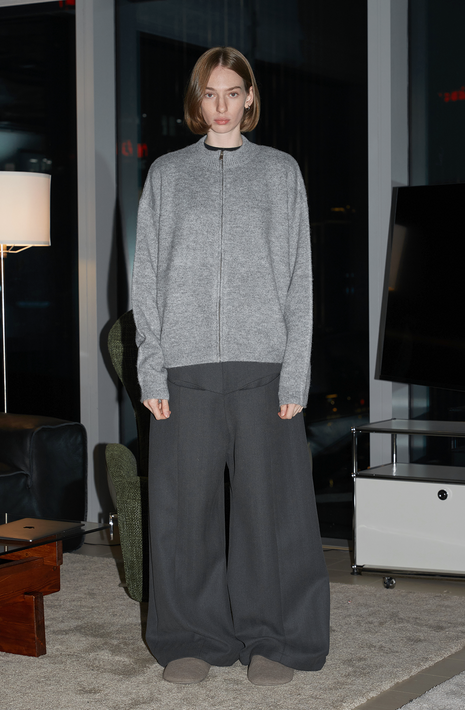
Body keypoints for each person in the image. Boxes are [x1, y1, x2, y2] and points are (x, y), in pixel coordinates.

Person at [132, 46, 329, 687]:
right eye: (210, 93)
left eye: (232, 92)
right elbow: (145, 280)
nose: (221, 106)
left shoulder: (279, 172)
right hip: (184, 369)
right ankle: (190, 638)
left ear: (249, 97)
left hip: (262, 369)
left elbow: (299, 281)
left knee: (270, 514)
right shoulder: (167, 175)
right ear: (198, 100)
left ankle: (274, 639)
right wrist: (152, 368)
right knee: (182, 514)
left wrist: (295, 373)